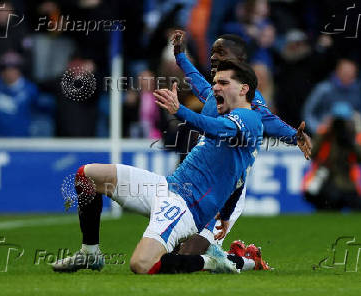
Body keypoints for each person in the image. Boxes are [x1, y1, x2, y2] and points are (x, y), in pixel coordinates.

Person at [52, 60, 263, 274]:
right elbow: (239, 178)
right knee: (87, 175)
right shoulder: (227, 117)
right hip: (166, 186)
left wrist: (179, 110)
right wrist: (226, 215)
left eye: (224, 82)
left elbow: (214, 128)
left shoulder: (250, 118)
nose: (216, 87)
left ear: (244, 89)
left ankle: (212, 262)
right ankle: (90, 253)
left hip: (186, 207)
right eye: (216, 81)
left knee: (142, 264)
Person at [170, 30, 311, 259]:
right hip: (198, 181)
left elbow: (269, 121)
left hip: (225, 189)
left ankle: (243, 261)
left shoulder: (249, 99)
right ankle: (237, 258)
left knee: (186, 257)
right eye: (213, 52)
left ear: (239, 60)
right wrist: (181, 57)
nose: (214, 57)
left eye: (221, 53)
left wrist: (294, 136)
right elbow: (199, 84)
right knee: (171, 253)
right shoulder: (216, 94)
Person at [302, 101, 361, 211]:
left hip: (348, 183)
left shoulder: (355, 135)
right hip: (327, 181)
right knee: (328, 204)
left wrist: (351, 140)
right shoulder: (325, 133)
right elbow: (311, 153)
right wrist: (325, 133)